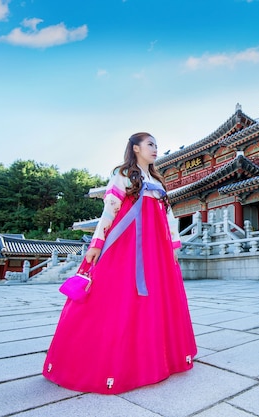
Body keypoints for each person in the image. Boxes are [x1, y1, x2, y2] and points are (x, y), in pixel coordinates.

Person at [43, 132, 197, 394]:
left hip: (157, 247)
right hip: (128, 243)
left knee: (158, 299)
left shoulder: (158, 181)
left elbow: (169, 217)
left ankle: (156, 360)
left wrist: (173, 247)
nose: (155, 149)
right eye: (150, 144)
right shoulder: (124, 174)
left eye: (156, 145)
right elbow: (109, 211)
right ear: (136, 148)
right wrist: (96, 245)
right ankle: (105, 361)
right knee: (117, 295)